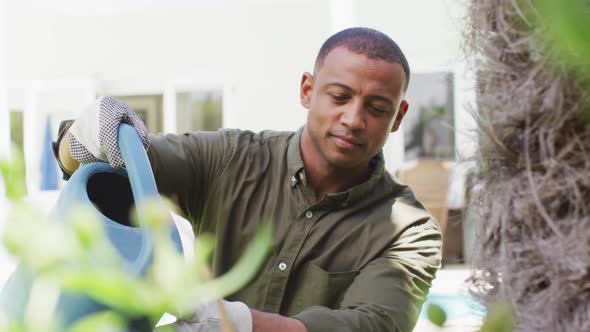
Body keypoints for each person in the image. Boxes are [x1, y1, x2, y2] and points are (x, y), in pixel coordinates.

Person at [55, 27, 442, 332]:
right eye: (339, 97)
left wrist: (237, 324)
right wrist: (84, 135)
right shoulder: (231, 158)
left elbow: (372, 326)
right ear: (308, 90)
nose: (354, 119)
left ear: (400, 115)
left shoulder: (408, 230)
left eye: (376, 108)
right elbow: (110, 160)